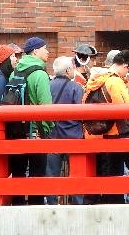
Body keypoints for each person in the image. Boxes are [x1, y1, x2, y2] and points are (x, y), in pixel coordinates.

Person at [84, 50, 129, 204]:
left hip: (104, 133)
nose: (126, 74)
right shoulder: (115, 81)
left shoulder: (95, 80)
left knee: (112, 174)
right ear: (125, 65)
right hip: (122, 131)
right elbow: (124, 107)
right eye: (127, 70)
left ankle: (112, 206)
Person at [7, 37, 53, 206]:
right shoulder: (40, 74)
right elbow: (46, 105)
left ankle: (17, 209)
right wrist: (47, 129)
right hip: (35, 131)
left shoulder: (14, 72)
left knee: (18, 174)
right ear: (35, 51)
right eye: (45, 48)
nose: (48, 51)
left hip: (16, 130)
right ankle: (36, 209)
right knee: (37, 176)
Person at [45, 56, 85, 205]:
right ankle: (77, 204)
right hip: (73, 136)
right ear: (68, 70)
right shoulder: (76, 88)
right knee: (77, 175)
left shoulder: (47, 85)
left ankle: (52, 204)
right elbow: (82, 114)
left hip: (52, 137)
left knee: (52, 175)